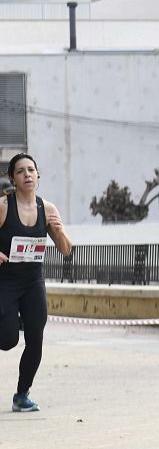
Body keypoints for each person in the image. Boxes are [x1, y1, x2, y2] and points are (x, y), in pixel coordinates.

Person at [0, 153, 73, 412]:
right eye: (21, 171)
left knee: (35, 339)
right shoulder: (4, 206)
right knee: (7, 340)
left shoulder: (48, 209)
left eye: (31, 170)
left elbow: (65, 250)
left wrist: (59, 230)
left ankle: (22, 394)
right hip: (5, 282)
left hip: (33, 281)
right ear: (13, 178)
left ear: (38, 175)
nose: (27, 174)